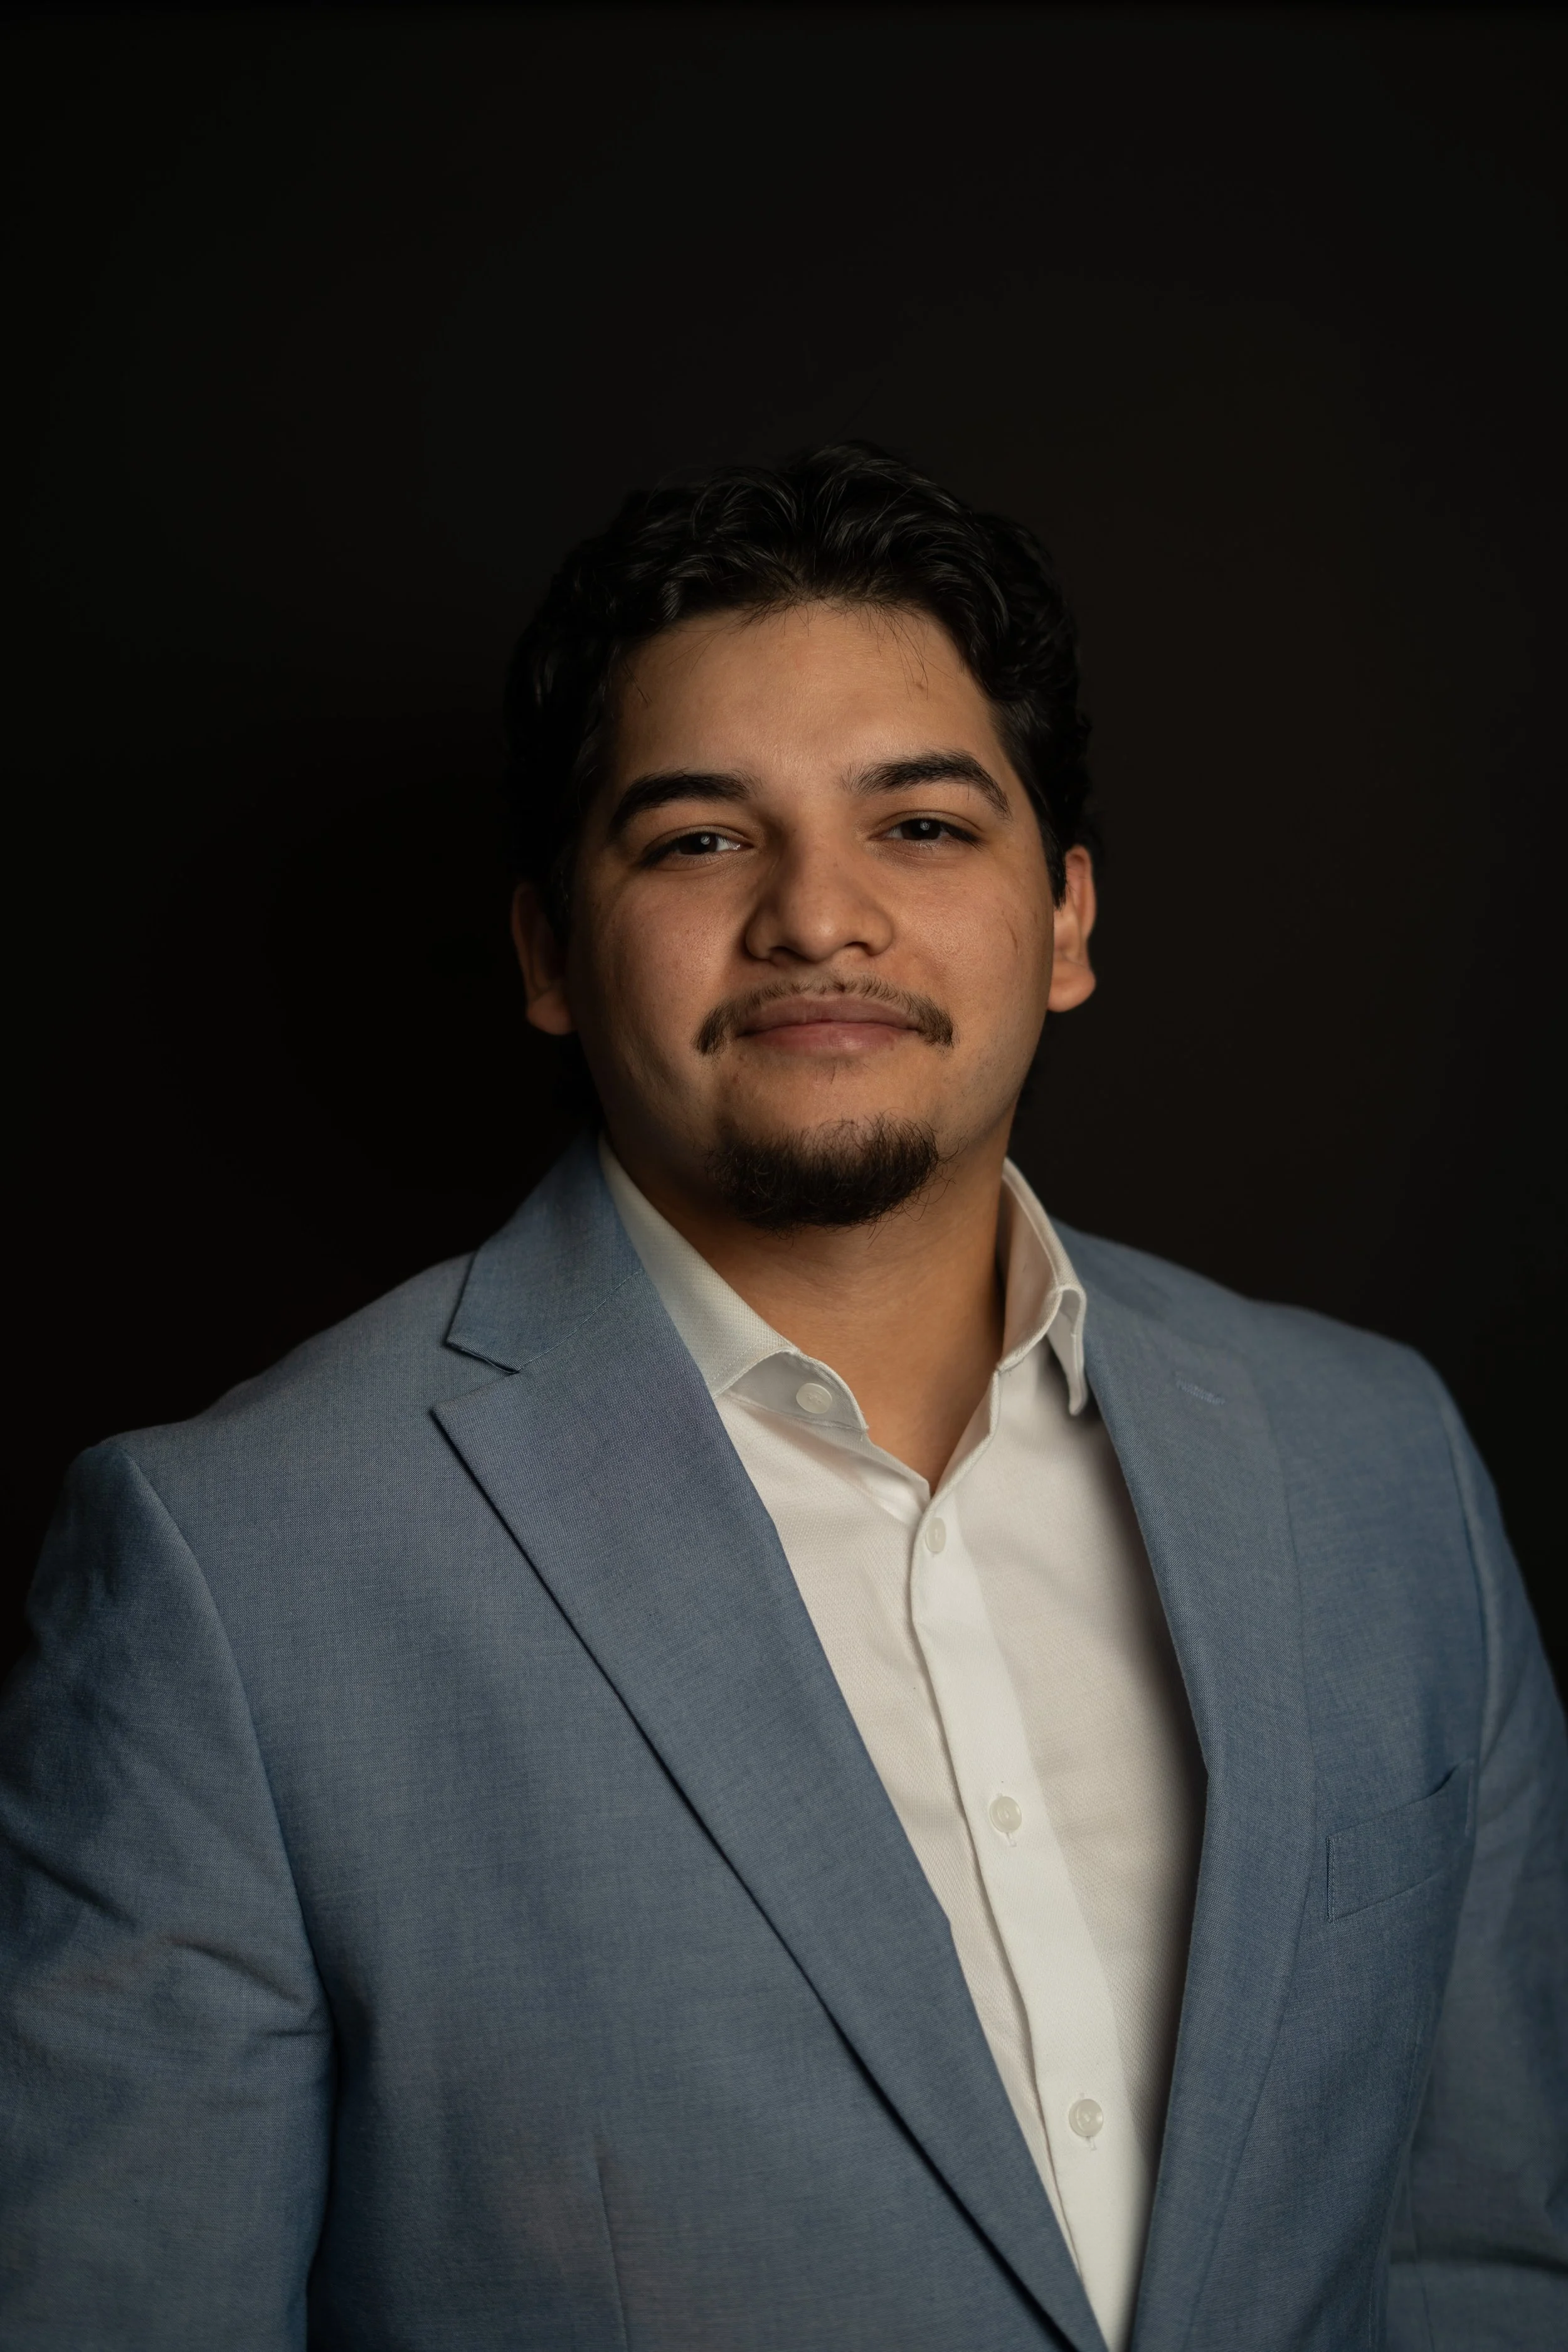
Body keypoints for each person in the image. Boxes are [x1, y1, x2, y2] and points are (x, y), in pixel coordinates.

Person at [1, 445, 1564, 2352]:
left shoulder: (1375, 1459)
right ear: (549, 953)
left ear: (1064, 918)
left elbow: (1481, 2250)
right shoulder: (230, 1569)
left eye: (918, 824)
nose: (819, 917)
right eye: (699, 838)